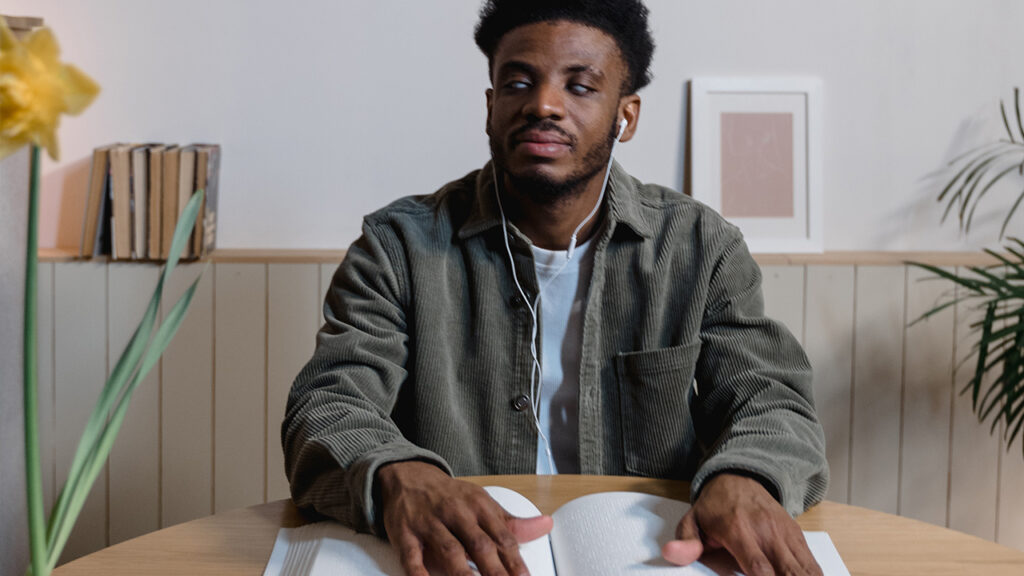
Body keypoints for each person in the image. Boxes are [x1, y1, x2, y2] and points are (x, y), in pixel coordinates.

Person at [282, 1, 828, 575]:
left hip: (646, 557)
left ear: (627, 116)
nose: (543, 105)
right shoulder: (397, 247)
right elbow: (328, 403)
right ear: (491, 107)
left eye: (581, 86)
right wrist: (399, 476)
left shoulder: (700, 246)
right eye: (518, 82)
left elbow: (770, 401)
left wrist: (745, 475)